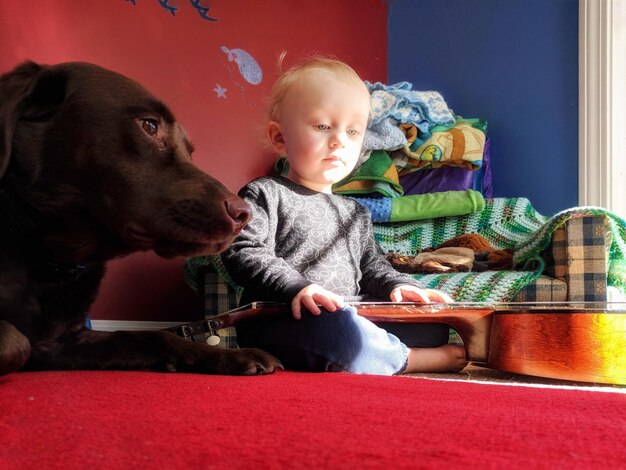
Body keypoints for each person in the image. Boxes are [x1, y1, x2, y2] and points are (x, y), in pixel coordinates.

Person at [221, 57, 466, 375]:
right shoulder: (264, 192)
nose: (339, 141)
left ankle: (377, 355)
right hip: (286, 318)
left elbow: (374, 268)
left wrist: (399, 286)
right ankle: (409, 361)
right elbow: (242, 251)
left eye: (353, 131)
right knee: (339, 334)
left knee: (432, 326)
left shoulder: (356, 213)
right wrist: (298, 288)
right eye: (323, 126)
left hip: (351, 311)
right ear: (280, 137)